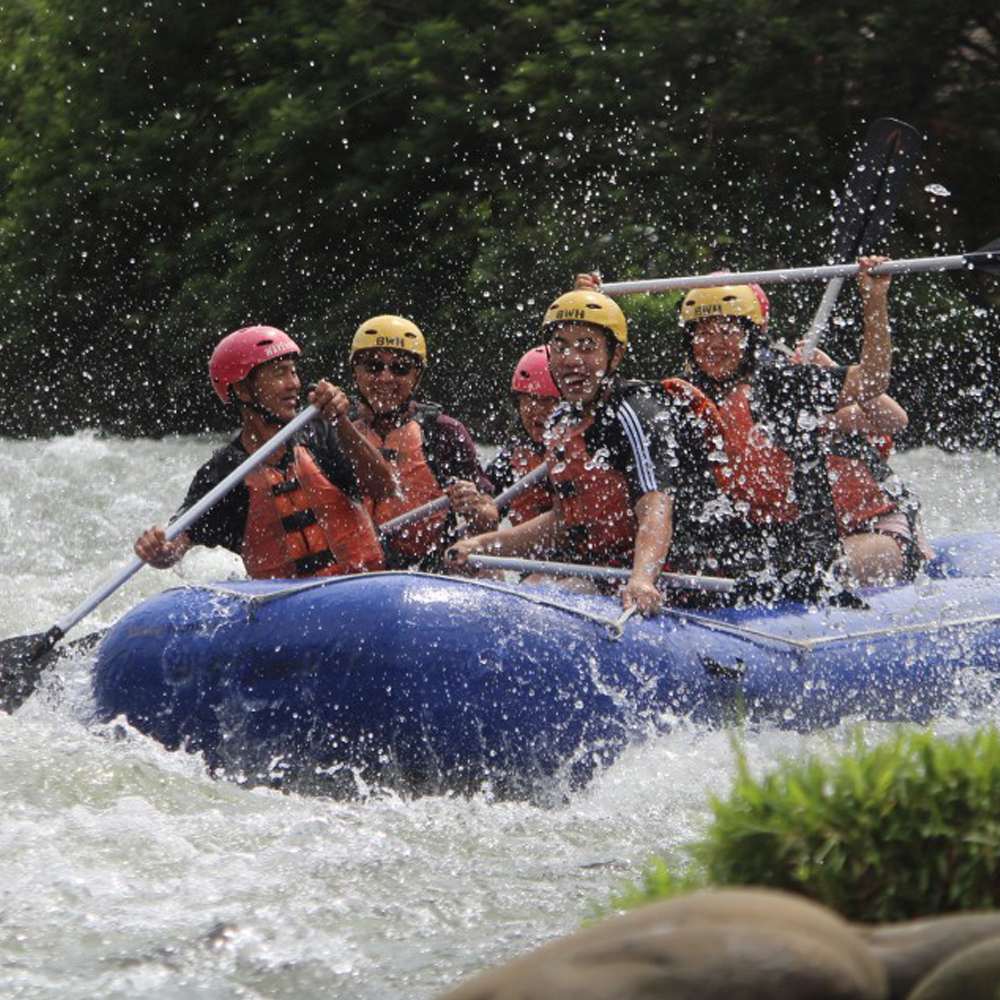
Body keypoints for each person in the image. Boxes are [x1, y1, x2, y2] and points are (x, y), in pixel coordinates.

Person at [447, 289, 741, 615]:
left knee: (561, 594)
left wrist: (643, 578)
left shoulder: (634, 411)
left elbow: (655, 504)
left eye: (587, 346)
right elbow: (563, 520)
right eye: (560, 346)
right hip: (608, 564)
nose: (571, 358)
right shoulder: (562, 419)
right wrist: (482, 546)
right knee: (534, 589)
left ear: (613, 356)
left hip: (674, 570)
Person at [652, 256, 926, 590]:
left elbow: (873, 383)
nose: (713, 343)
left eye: (726, 331)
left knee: (813, 575)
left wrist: (873, 301)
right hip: (799, 536)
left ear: (751, 334)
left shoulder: (785, 384)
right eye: (703, 332)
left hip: (872, 529)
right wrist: (584, 309)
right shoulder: (686, 397)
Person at [134, 325, 395, 578]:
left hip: (366, 587)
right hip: (290, 608)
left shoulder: (323, 435)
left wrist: (342, 422)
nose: (294, 383)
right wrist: (159, 549)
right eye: (280, 373)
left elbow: (385, 489)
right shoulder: (224, 473)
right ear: (243, 390)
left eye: (293, 372)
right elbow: (176, 544)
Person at [348, 315, 496, 569]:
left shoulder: (444, 433)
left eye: (400, 368)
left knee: (488, 571)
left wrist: (473, 505)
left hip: (424, 573)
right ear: (355, 372)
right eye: (373, 366)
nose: (385, 378)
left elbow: (489, 522)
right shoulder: (334, 430)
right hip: (352, 573)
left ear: (417, 377)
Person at [483, 345, 560, 526]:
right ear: (518, 403)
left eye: (551, 400)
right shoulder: (509, 462)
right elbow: (482, 526)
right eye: (531, 398)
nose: (539, 409)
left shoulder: (589, 453)